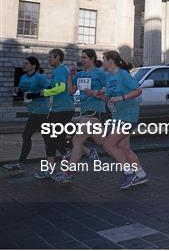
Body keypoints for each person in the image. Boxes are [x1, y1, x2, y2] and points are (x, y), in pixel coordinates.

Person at [96, 51, 148, 189]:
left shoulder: (123, 74)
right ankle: (141, 174)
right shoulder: (109, 77)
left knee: (108, 145)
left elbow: (138, 90)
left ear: (111, 61)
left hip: (128, 116)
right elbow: (109, 98)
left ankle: (128, 172)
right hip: (117, 116)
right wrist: (97, 95)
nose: (102, 62)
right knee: (124, 147)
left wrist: (121, 98)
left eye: (104, 59)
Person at [57, 49, 106, 182]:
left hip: (96, 109)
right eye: (81, 58)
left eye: (84, 58)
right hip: (85, 111)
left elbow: (110, 88)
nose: (82, 60)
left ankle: (68, 173)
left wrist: (96, 92)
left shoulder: (100, 74)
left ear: (92, 59)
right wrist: (70, 76)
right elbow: (70, 91)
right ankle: (117, 146)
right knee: (102, 142)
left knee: (77, 139)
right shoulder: (79, 75)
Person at [26, 49, 74, 180]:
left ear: (58, 57)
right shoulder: (60, 70)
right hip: (61, 109)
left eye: (50, 58)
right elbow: (54, 87)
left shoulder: (59, 70)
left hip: (62, 110)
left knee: (48, 136)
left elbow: (59, 88)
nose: (48, 60)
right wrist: (39, 92)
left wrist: (39, 94)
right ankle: (66, 153)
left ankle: (52, 167)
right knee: (50, 136)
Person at [3, 57, 49, 171]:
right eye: (24, 63)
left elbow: (50, 90)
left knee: (26, 135)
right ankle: (66, 152)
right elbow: (22, 92)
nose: (24, 65)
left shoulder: (39, 77)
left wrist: (34, 95)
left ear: (33, 66)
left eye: (26, 63)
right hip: (32, 110)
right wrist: (18, 91)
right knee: (47, 136)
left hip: (40, 111)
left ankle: (21, 163)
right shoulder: (23, 77)